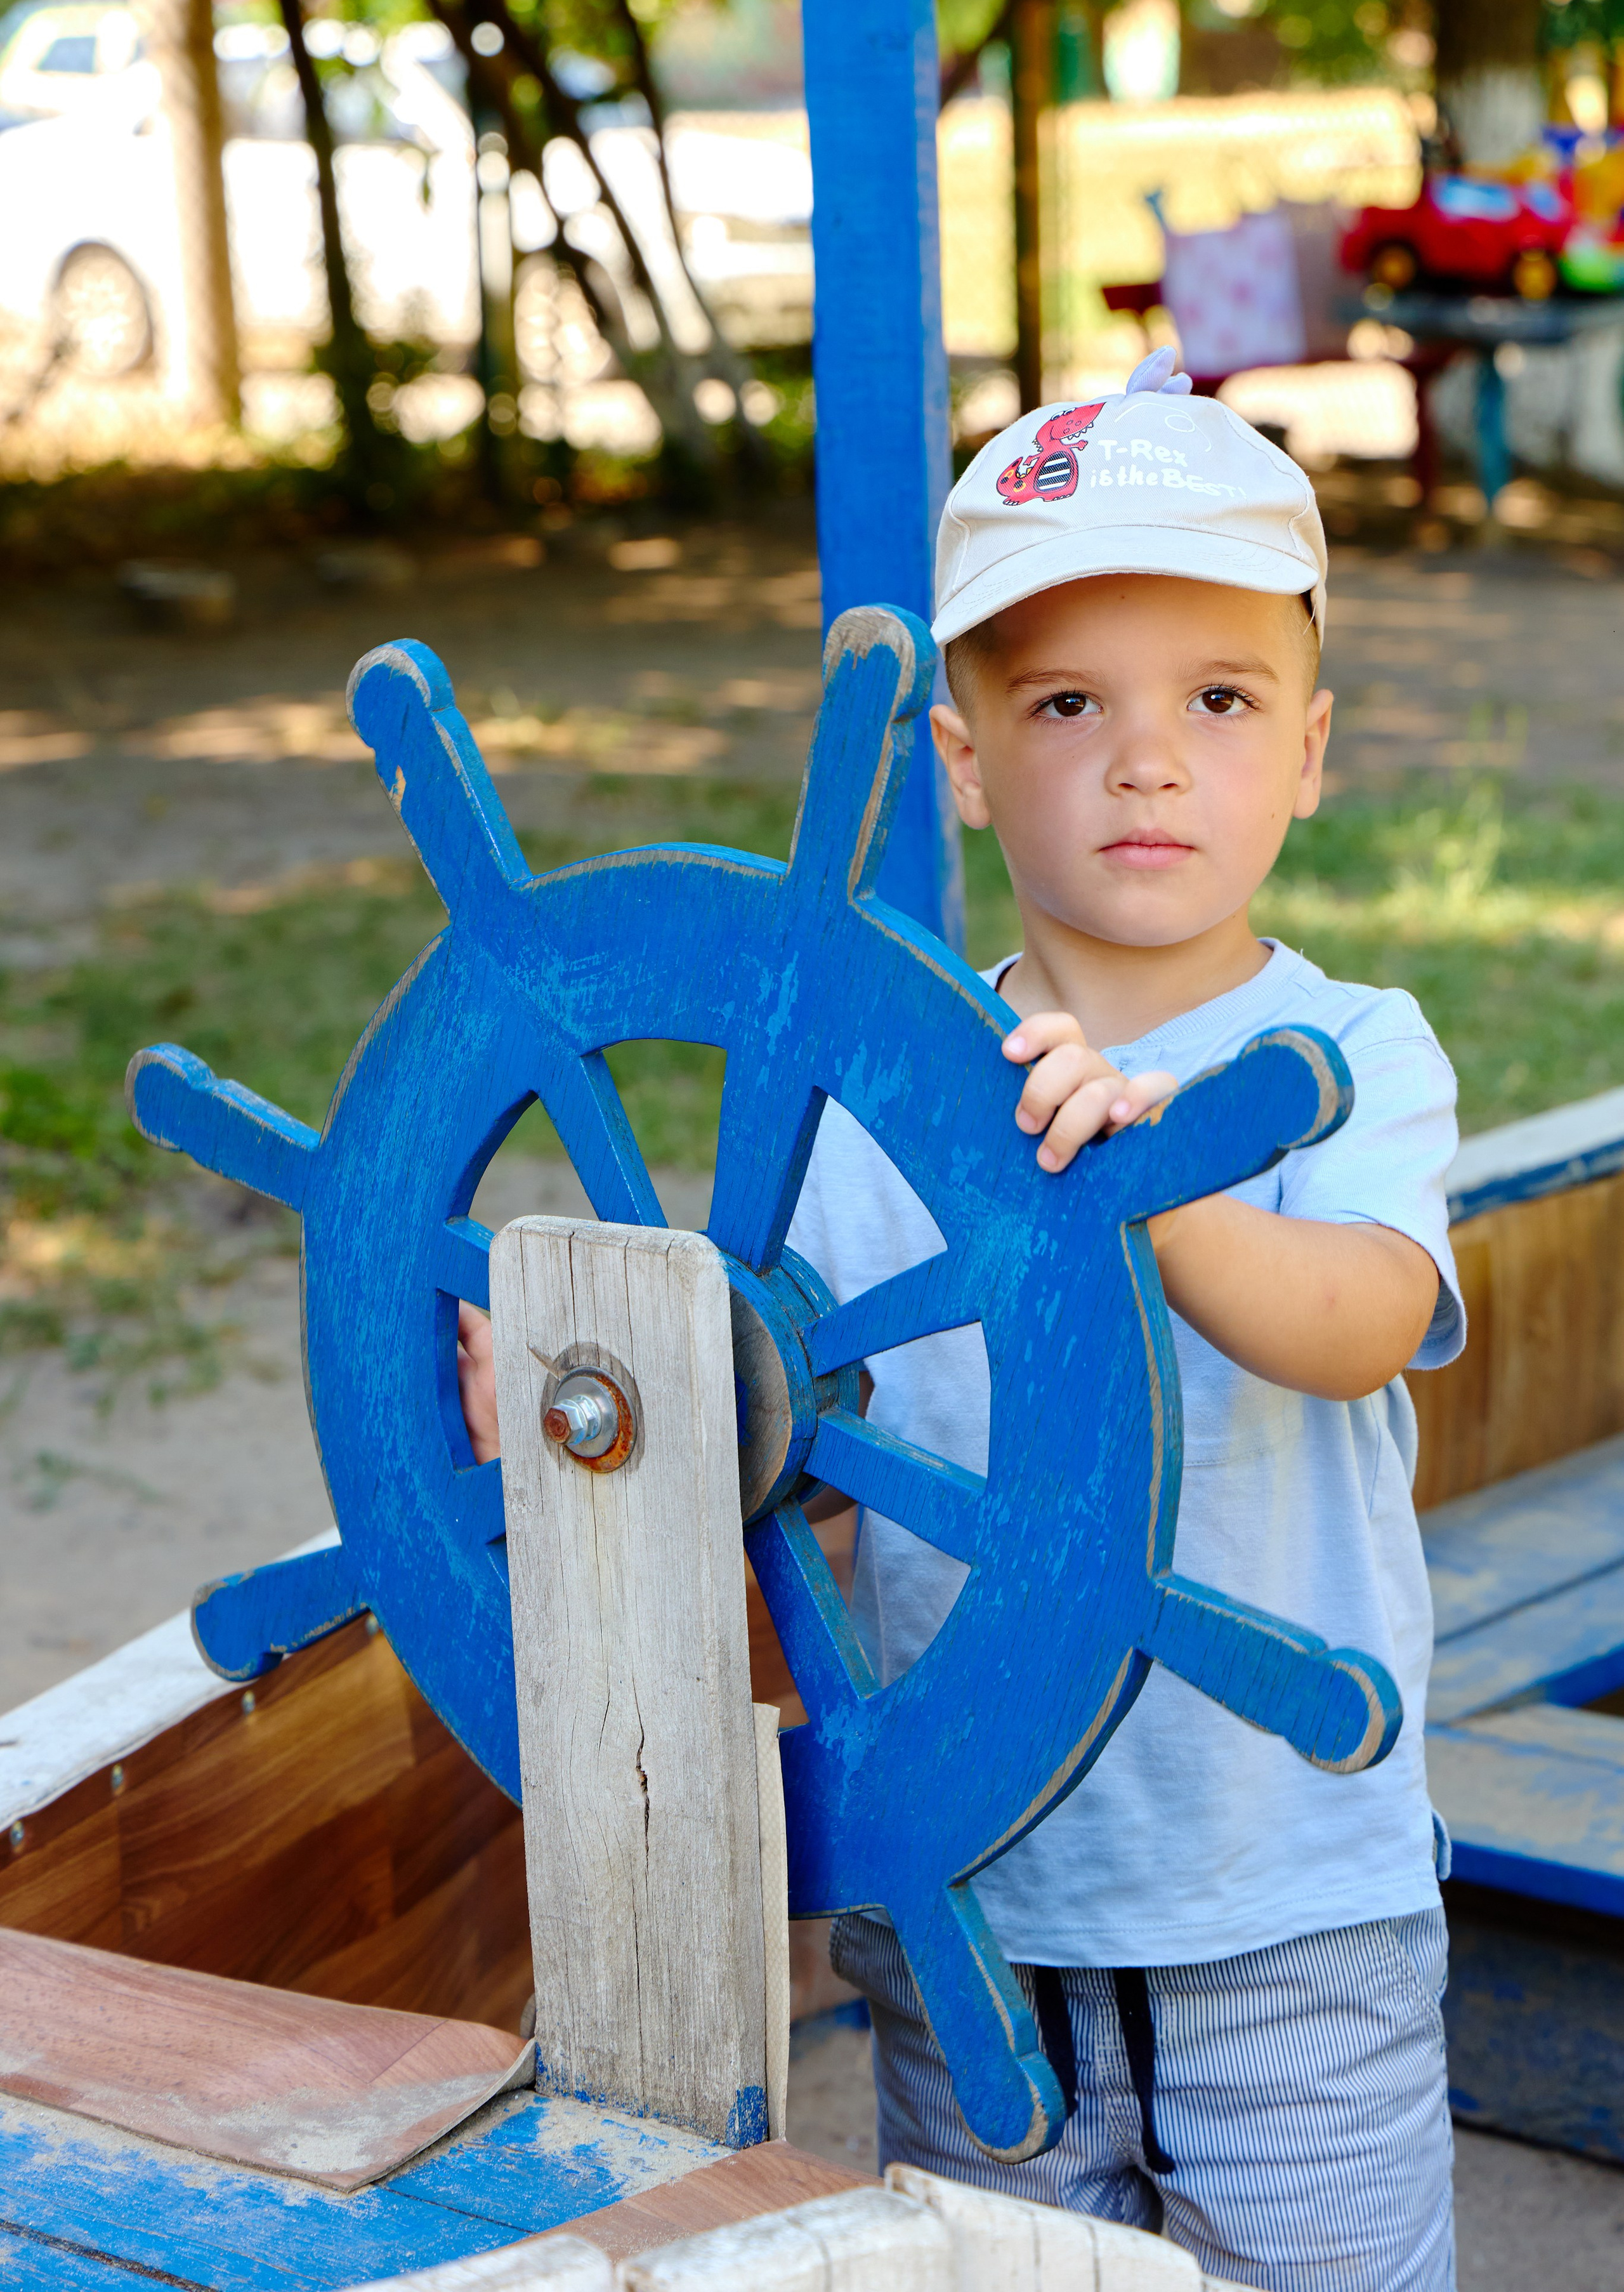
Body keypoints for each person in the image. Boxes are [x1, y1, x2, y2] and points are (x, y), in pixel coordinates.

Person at [457, 350, 1463, 2292]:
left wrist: (1154, 1198)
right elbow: (810, 1438)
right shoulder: (881, 1106)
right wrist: (601, 1391)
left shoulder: (1351, 1056)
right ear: (967, 758)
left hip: (1289, 1907)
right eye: (1071, 703)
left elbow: (1363, 1321)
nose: (1147, 759)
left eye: (1220, 700)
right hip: (969, 1898)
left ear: (1312, 751)